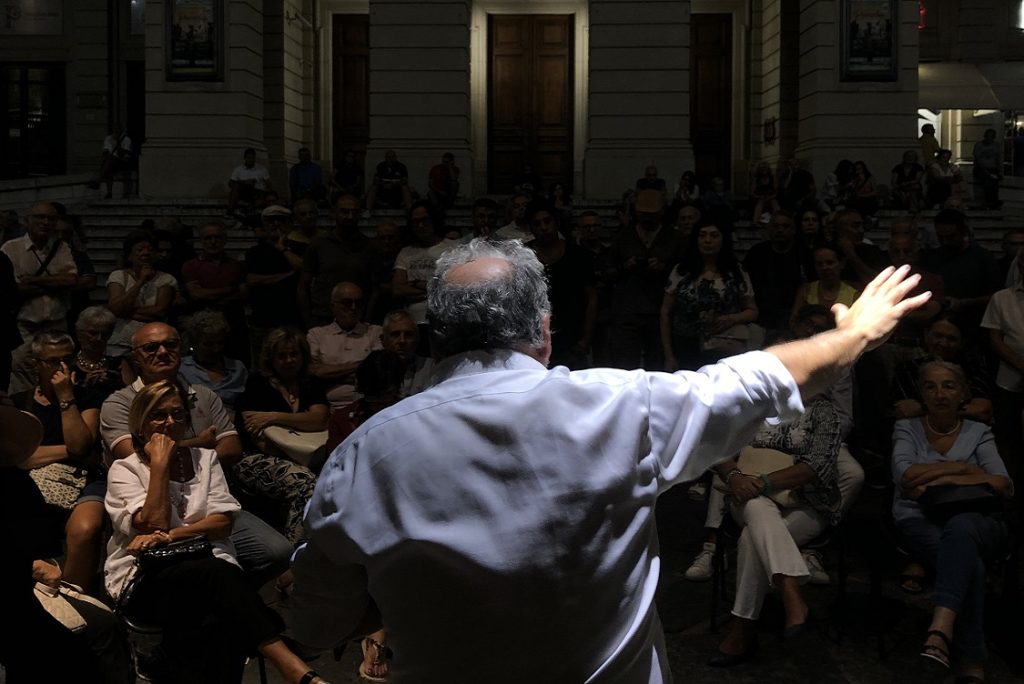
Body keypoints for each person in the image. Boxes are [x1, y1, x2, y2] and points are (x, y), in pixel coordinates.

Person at [286, 237, 930, 683]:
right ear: (544, 332)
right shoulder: (619, 408)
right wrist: (854, 335)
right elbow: (757, 380)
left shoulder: (362, 454)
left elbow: (318, 620)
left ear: (436, 340)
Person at [104, 380, 332, 684]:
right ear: (140, 424)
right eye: (158, 415)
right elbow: (154, 521)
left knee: (219, 613)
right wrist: (159, 464)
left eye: (177, 414)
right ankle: (290, 664)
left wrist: (171, 535)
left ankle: (173, 665)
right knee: (219, 584)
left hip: (210, 573)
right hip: (147, 578)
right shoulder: (125, 469)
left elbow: (222, 524)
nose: (170, 422)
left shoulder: (206, 459)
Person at [891, 362, 1012, 684]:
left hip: (982, 521)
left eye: (949, 386)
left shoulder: (979, 432)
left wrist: (936, 479)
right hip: (919, 519)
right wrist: (964, 470)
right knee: (970, 562)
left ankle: (939, 633)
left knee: (962, 527)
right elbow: (904, 476)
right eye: (930, 387)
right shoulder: (907, 428)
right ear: (922, 395)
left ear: (963, 394)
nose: (940, 394)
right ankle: (970, 655)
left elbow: (1002, 483)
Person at [0, 393, 135, 683]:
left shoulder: (14, 483)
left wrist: (35, 565)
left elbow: (34, 548)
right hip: (13, 604)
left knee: (101, 623)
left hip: (17, 597)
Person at [707, 394, 843, 666]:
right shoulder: (750, 403)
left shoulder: (823, 411)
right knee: (758, 509)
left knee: (752, 537)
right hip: (746, 496)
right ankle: (791, 593)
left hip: (805, 503)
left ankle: (741, 630)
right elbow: (717, 447)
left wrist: (760, 483)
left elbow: (815, 466)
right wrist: (734, 476)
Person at [661, 220, 757, 372]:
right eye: (702, 235)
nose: (707, 240)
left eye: (714, 236)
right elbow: (665, 312)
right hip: (685, 346)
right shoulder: (681, 270)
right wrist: (669, 356)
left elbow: (752, 311)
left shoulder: (736, 271)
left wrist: (732, 319)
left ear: (723, 240)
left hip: (723, 347)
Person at [105, 230, 178, 357]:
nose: (146, 253)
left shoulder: (166, 279)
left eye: (150, 249)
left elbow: (160, 311)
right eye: (140, 250)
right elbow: (115, 308)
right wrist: (140, 282)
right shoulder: (118, 276)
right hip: (120, 342)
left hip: (153, 344)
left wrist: (127, 312)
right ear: (130, 256)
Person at [179, 310, 248, 416]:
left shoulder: (238, 368)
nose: (216, 349)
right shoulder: (182, 368)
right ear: (193, 343)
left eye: (220, 343)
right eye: (208, 344)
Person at [789, 243, 859, 329]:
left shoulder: (854, 294)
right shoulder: (805, 290)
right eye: (820, 264)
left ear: (842, 263)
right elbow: (794, 322)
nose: (824, 267)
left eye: (830, 262)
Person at [87, 123, 133, 199]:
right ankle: (109, 193)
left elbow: (122, 153)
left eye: (118, 130)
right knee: (109, 168)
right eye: (115, 129)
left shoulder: (126, 139)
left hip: (122, 161)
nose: (116, 131)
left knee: (110, 162)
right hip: (111, 161)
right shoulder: (108, 138)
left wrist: (118, 142)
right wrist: (107, 153)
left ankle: (98, 181)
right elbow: (105, 151)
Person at [227, 148, 273, 216]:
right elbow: (230, 183)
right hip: (243, 191)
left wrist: (265, 190)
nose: (250, 160)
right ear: (245, 158)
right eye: (248, 158)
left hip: (257, 191)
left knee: (263, 196)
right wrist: (244, 182)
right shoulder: (238, 169)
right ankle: (230, 210)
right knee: (234, 190)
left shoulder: (262, 169)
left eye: (252, 158)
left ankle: (248, 209)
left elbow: (269, 184)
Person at [971, 128, 1003, 209]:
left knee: (995, 182)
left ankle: (994, 201)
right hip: (981, 168)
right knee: (987, 181)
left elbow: (998, 159)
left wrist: (999, 171)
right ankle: (989, 201)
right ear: (985, 136)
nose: (990, 138)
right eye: (989, 136)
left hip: (993, 168)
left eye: (992, 137)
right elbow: (977, 160)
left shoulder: (996, 145)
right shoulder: (979, 145)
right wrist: (986, 172)